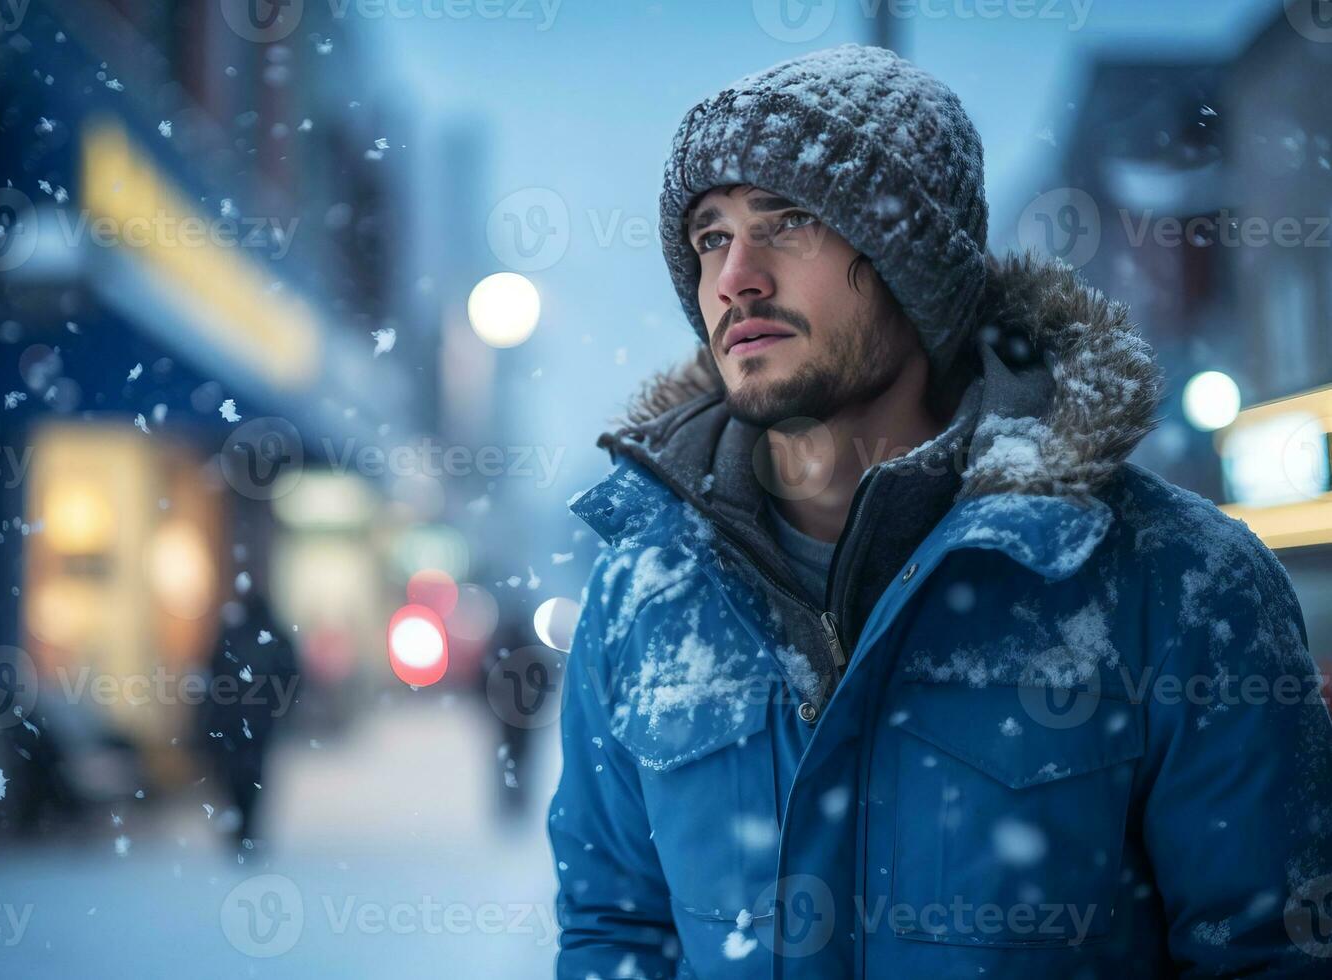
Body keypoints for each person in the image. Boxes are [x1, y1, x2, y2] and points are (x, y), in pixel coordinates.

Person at [547, 44, 1332, 978]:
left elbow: (1268, 958)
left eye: (787, 220)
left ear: (909, 255)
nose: (736, 277)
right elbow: (616, 933)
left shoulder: (1175, 583)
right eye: (712, 236)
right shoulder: (643, 592)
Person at [201, 589, 300, 859]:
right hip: (258, 721)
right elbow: (292, 676)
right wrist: (279, 707)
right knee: (252, 775)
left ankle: (242, 827)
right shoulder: (273, 636)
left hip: (234, 720)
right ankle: (247, 827)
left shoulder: (233, 635)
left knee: (236, 775)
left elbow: (213, 673)